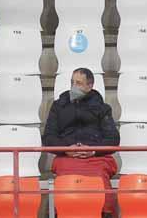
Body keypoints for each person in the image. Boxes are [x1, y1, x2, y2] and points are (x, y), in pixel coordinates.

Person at [43, 68, 120, 218]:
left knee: (100, 178)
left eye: (78, 83)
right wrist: (66, 149)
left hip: (95, 158)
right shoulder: (58, 106)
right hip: (67, 157)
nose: (74, 87)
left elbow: (113, 139)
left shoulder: (102, 108)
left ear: (89, 86)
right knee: (65, 177)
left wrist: (93, 150)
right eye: (72, 82)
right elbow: (48, 137)